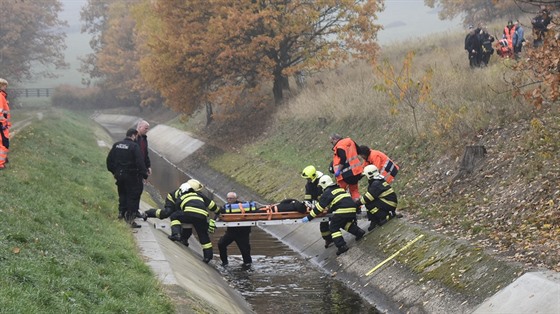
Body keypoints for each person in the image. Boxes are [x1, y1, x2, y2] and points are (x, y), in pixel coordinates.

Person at [301, 174, 365, 256]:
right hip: (353, 209)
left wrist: (309, 217)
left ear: (324, 184)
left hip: (343, 210)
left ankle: (342, 246)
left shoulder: (327, 193)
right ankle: (359, 232)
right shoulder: (339, 189)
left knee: (333, 227)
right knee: (342, 223)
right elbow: (338, 202)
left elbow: (319, 208)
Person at [167, 179, 220, 263]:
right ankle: (208, 257)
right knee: (203, 236)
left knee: (174, 216)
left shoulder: (182, 196)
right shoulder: (201, 196)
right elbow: (212, 206)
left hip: (188, 214)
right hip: (202, 216)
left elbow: (177, 208)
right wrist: (218, 212)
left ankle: (176, 234)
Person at [106, 128, 149, 228]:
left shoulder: (116, 145)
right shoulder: (134, 146)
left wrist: (114, 171)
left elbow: (109, 161)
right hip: (132, 176)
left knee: (122, 193)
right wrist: (144, 175)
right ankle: (130, 219)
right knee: (132, 196)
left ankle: (121, 213)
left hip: (119, 175)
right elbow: (140, 162)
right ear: (134, 135)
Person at [356, 165, 399, 232]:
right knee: (369, 203)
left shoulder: (375, 183)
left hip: (389, 203)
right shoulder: (378, 180)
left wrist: (357, 203)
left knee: (369, 204)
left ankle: (385, 216)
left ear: (369, 175)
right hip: (389, 202)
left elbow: (368, 197)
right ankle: (374, 220)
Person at [218, 192, 253, 268]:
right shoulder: (226, 207)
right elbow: (219, 214)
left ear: (236, 198)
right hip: (231, 232)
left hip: (243, 233)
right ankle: (224, 262)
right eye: (228, 198)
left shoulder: (243, 206)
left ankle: (247, 265)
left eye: (231, 198)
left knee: (245, 251)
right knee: (221, 244)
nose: (229, 200)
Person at [301, 165, 333, 248]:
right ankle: (328, 239)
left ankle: (332, 238)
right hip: (321, 205)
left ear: (313, 176)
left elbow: (329, 193)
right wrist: (308, 204)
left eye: (308, 178)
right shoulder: (309, 184)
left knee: (336, 222)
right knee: (323, 225)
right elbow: (308, 196)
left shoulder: (323, 180)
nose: (307, 180)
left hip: (330, 202)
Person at [329, 133, 363, 201]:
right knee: (354, 190)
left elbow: (343, 158)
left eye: (332, 142)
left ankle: (342, 206)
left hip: (345, 175)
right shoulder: (350, 141)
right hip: (356, 172)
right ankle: (358, 206)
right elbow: (359, 151)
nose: (332, 144)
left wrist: (338, 170)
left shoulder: (339, 146)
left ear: (334, 139)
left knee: (340, 192)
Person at [0, 78, 11, 169]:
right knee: (3, 144)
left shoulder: (2, 96)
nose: (6, 87)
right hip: (2, 125)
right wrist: (3, 123)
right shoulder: (0, 96)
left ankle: (3, 160)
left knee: (4, 143)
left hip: (3, 125)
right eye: (4, 85)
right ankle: (0, 163)